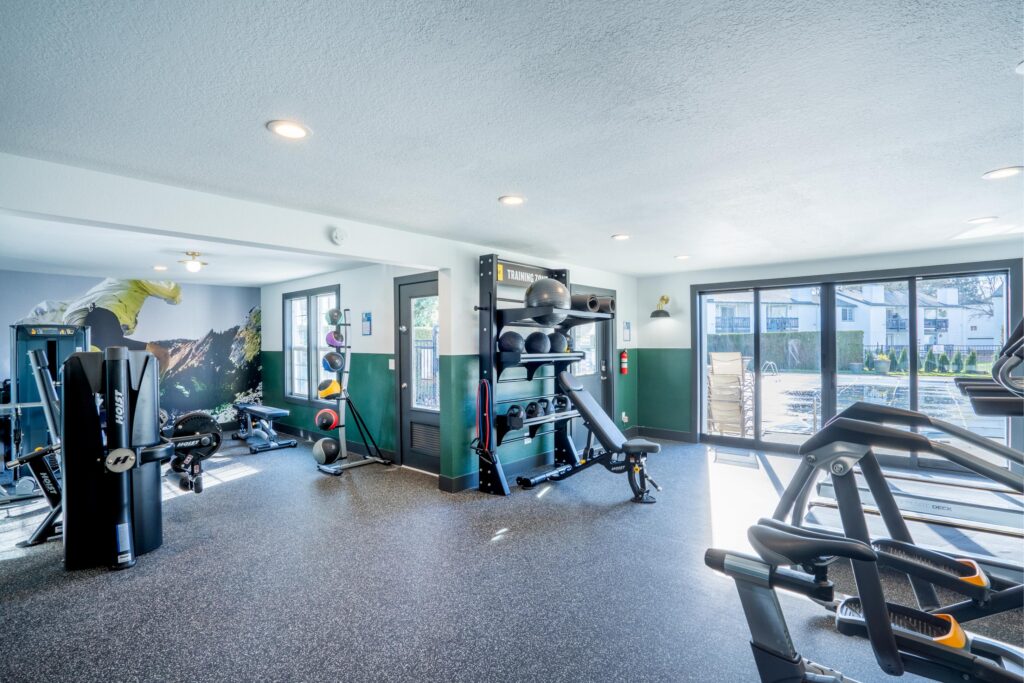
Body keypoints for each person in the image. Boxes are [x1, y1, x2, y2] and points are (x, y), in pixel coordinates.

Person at [62, 279, 182, 372]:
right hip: (101, 312)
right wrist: (176, 298)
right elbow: (172, 291)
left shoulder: (111, 285)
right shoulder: (136, 272)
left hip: (80, 322)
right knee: (161, 354)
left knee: (97, 361)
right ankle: (148, 391)